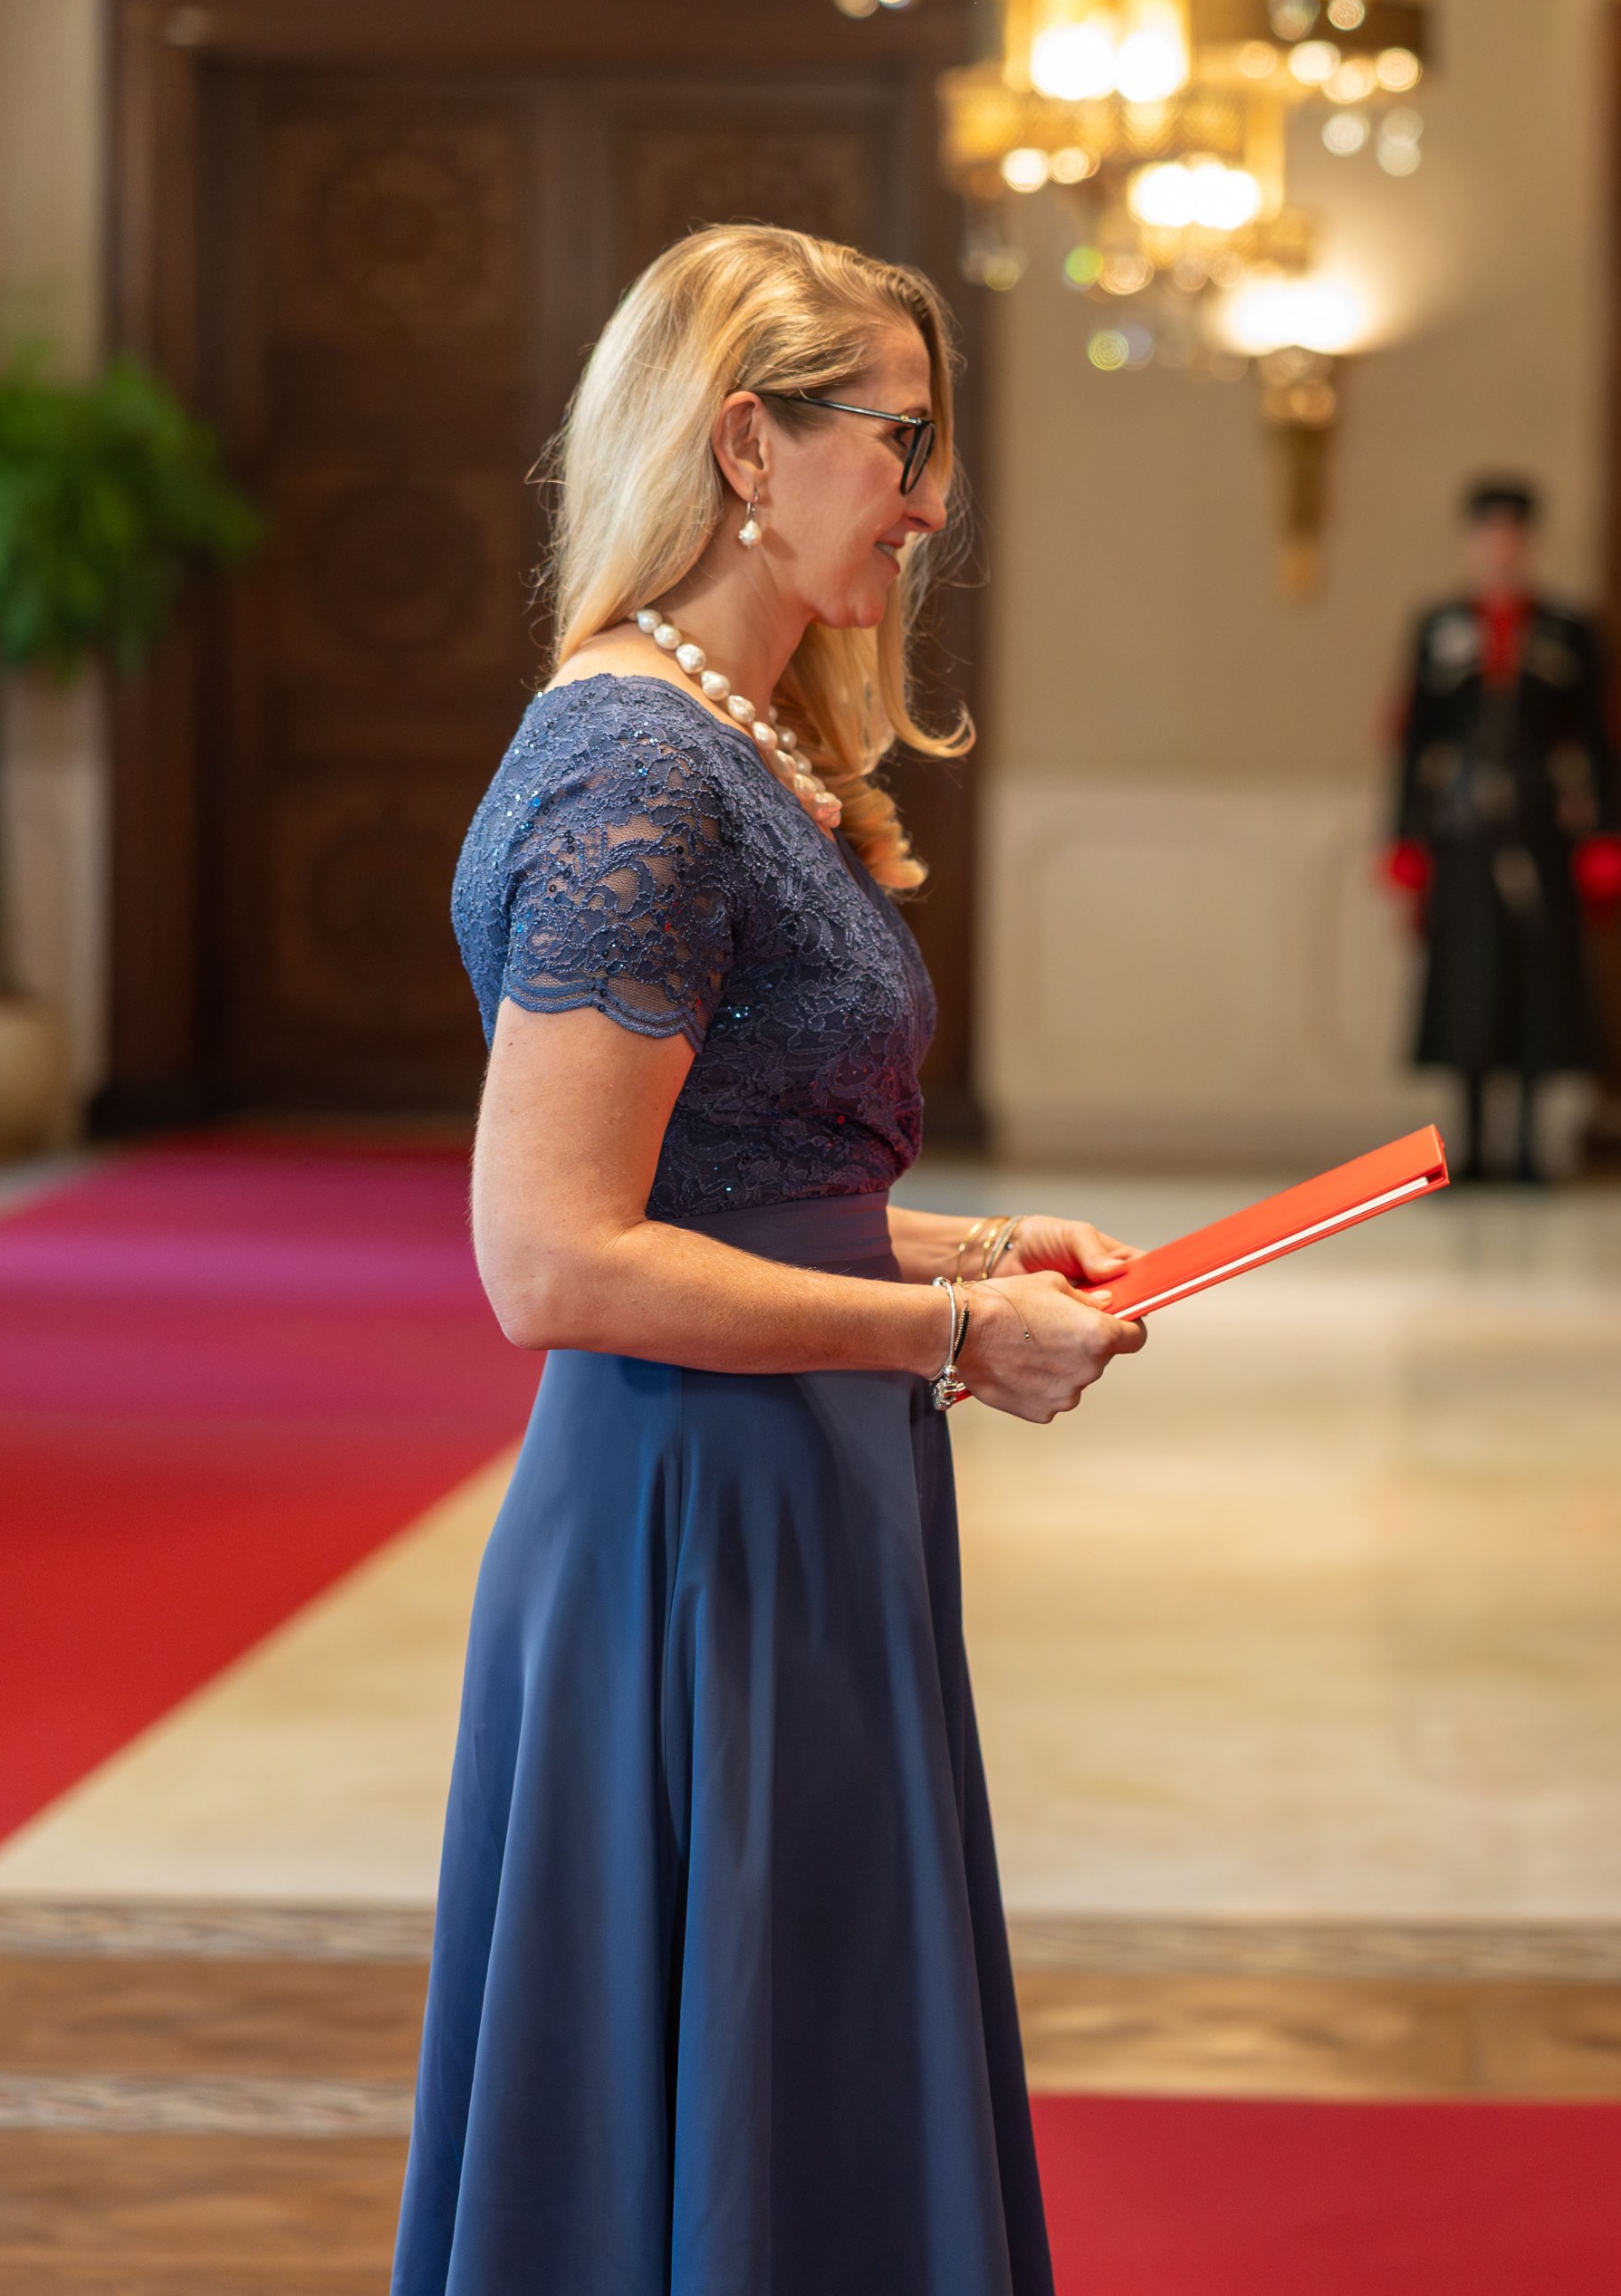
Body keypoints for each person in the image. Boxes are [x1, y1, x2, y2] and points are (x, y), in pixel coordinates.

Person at [403, 225, 1147, 2295]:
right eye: (901, 441)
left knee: (797, 2061)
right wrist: (948, 1332)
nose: (929, 498)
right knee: (725, 2087)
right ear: (746, 442)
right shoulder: (638, 770)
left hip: (787, 1490)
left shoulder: (722, 740)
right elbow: (548, 1259)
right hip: (694, 1520)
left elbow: (731, 1180)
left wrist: (976, 1247)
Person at [1386, 476, 1621, 1182]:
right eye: (1488, 533)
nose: (1500, 546)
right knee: (1467, 983)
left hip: (1540, 828)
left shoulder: (1568, 629)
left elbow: (1602, 739)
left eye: (1511, 533)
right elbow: (1412, 739)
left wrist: (1609, 832)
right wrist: (1405, 836)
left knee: (1539, 983)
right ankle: (1467, 1146)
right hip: (1463, 830)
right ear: (1471, 541)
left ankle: (1527, 1144)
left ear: (1527, 540)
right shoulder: (1438, 626)